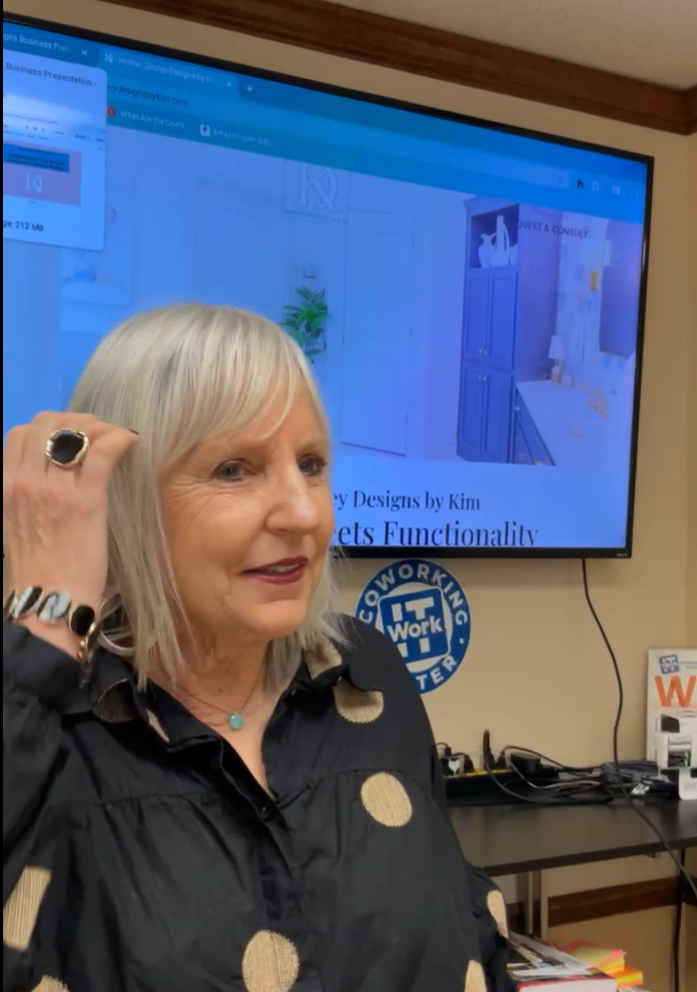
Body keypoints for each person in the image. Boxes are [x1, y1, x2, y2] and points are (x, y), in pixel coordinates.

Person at [3, 305, 512, 992]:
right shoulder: (46, 712)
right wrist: (43, 621)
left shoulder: (368, 671)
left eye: (311, 463)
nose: (303, 512)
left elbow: (461, 933)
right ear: (117, 498)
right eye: (234, 470)